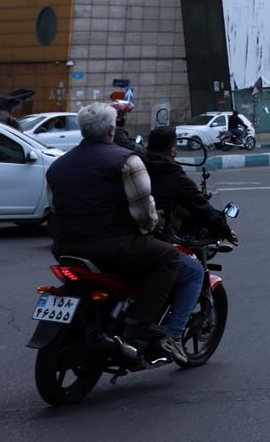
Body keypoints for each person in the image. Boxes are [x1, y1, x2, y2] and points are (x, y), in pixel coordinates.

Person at [46, 103, 186, 363]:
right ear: (112, 130)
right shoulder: (127, 160)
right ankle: (138, 324)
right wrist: (150, 228)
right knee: (169, 257)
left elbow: (54, 207)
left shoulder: (58, 165)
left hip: (65, 248)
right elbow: (145, 214)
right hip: (113, 246)